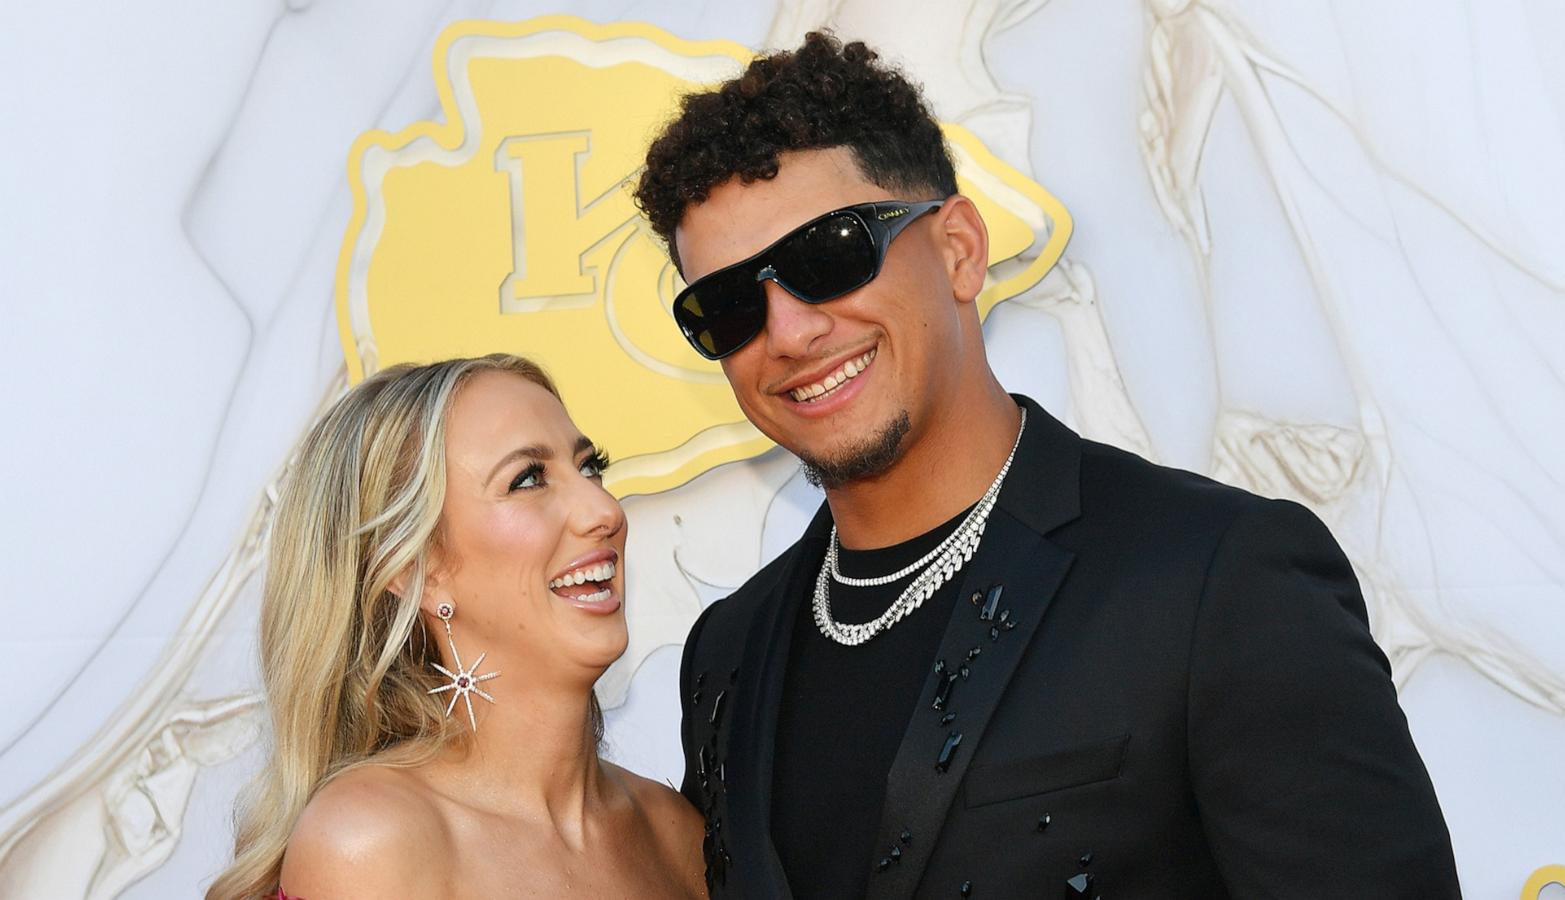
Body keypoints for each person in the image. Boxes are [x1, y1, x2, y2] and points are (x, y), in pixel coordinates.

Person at [635, 33, 1460, 898]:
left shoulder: (1215, 580)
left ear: (959, 250)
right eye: (729, 305)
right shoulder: (728, 655)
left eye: (828, 256)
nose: (790, 333)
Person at [207, 354, 706, 900]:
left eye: (590, 467)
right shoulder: (374, 841)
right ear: (417, 571)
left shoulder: (675, 832)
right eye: (528, 479)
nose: (603, 510)